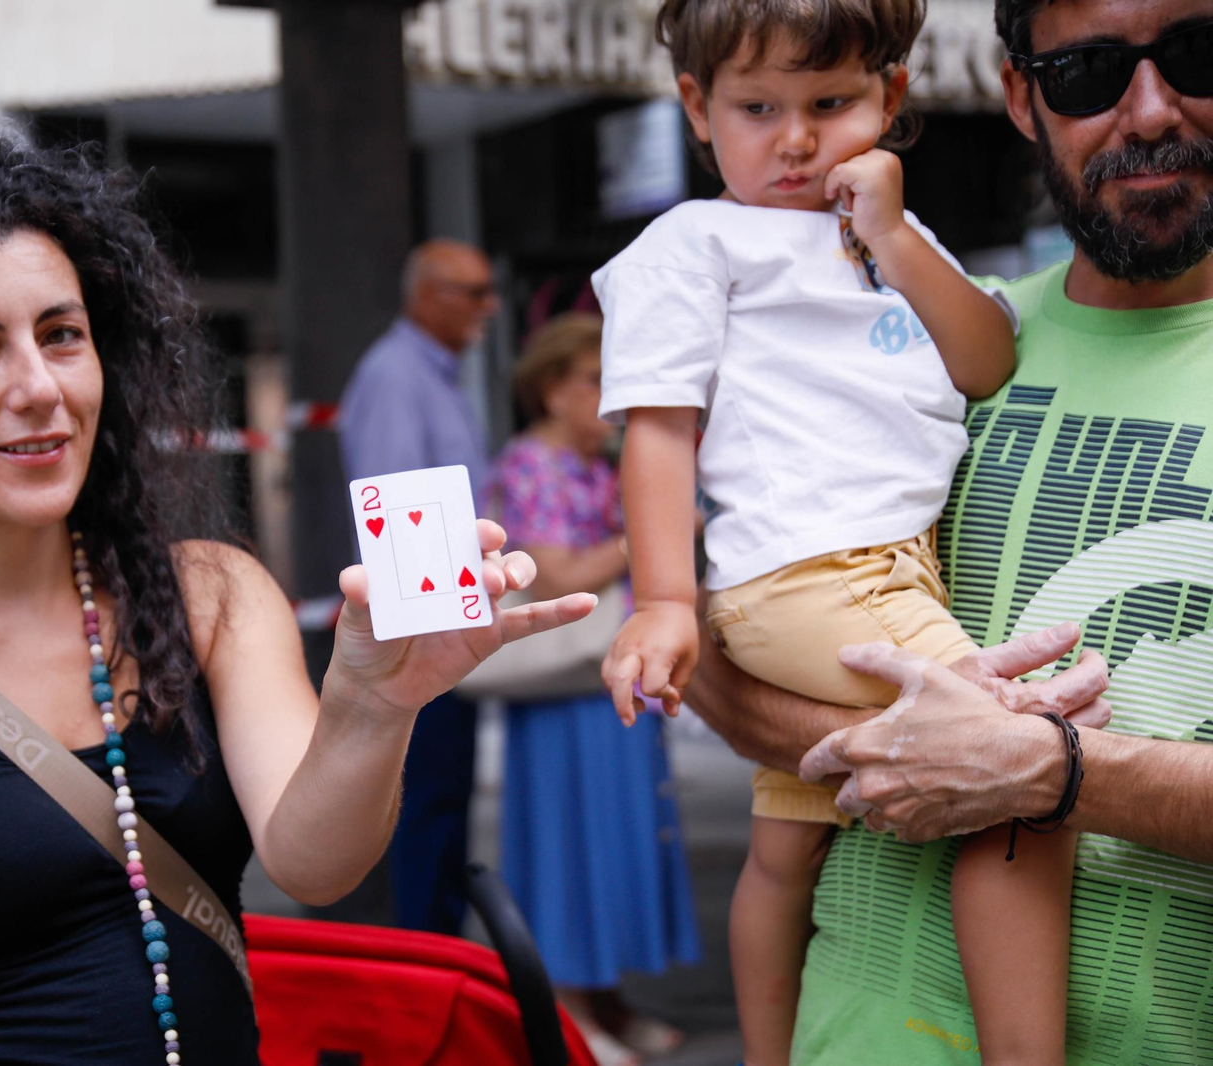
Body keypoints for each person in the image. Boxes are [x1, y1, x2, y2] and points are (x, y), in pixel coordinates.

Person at [0, 133, 592, 1066]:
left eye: (61, 334)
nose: (39, 386)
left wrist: (374, 700)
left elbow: (315, 863)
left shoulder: (210, 592)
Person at [677, 0, 1213, 1061]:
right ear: (1020, 95)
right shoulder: (922, 334)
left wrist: (1053, 771)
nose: (1147, 110)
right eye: (1086, 73)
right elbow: (716, 649)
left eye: (1198, 53)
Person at [592, 1, 1052, 1062]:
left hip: (879, 571)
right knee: (1021, 775)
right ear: (697, 110)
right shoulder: (694, 240)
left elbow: (984, 361)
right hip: (817, 576)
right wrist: (665, 602)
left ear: (890, 101)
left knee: (785, 847)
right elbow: (658, 429)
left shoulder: (889, 237)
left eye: (830, 103)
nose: (794, 138)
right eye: (757, 107)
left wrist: (891, 234)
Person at [485, 314, 700, 1066]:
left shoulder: (598, 460)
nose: (609, 398)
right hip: (563, 691)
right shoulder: (534, 464)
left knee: (620, 841)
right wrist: (651, 530)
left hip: (608, 676)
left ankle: (605, 1000)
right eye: (593, 380)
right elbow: (559, 574)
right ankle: (573, 1014)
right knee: (571, 849)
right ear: (551, 390)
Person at [337, 238, 499, 934]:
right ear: (429, 294)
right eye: (475, 292)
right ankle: (429, 1000)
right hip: (422, 638)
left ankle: (441, 982)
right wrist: (433, 642)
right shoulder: (397, 376)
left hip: (444, 631)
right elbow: (397, 517)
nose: (489, 308)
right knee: (427, 815)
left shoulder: (432, 375)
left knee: (443, 813)